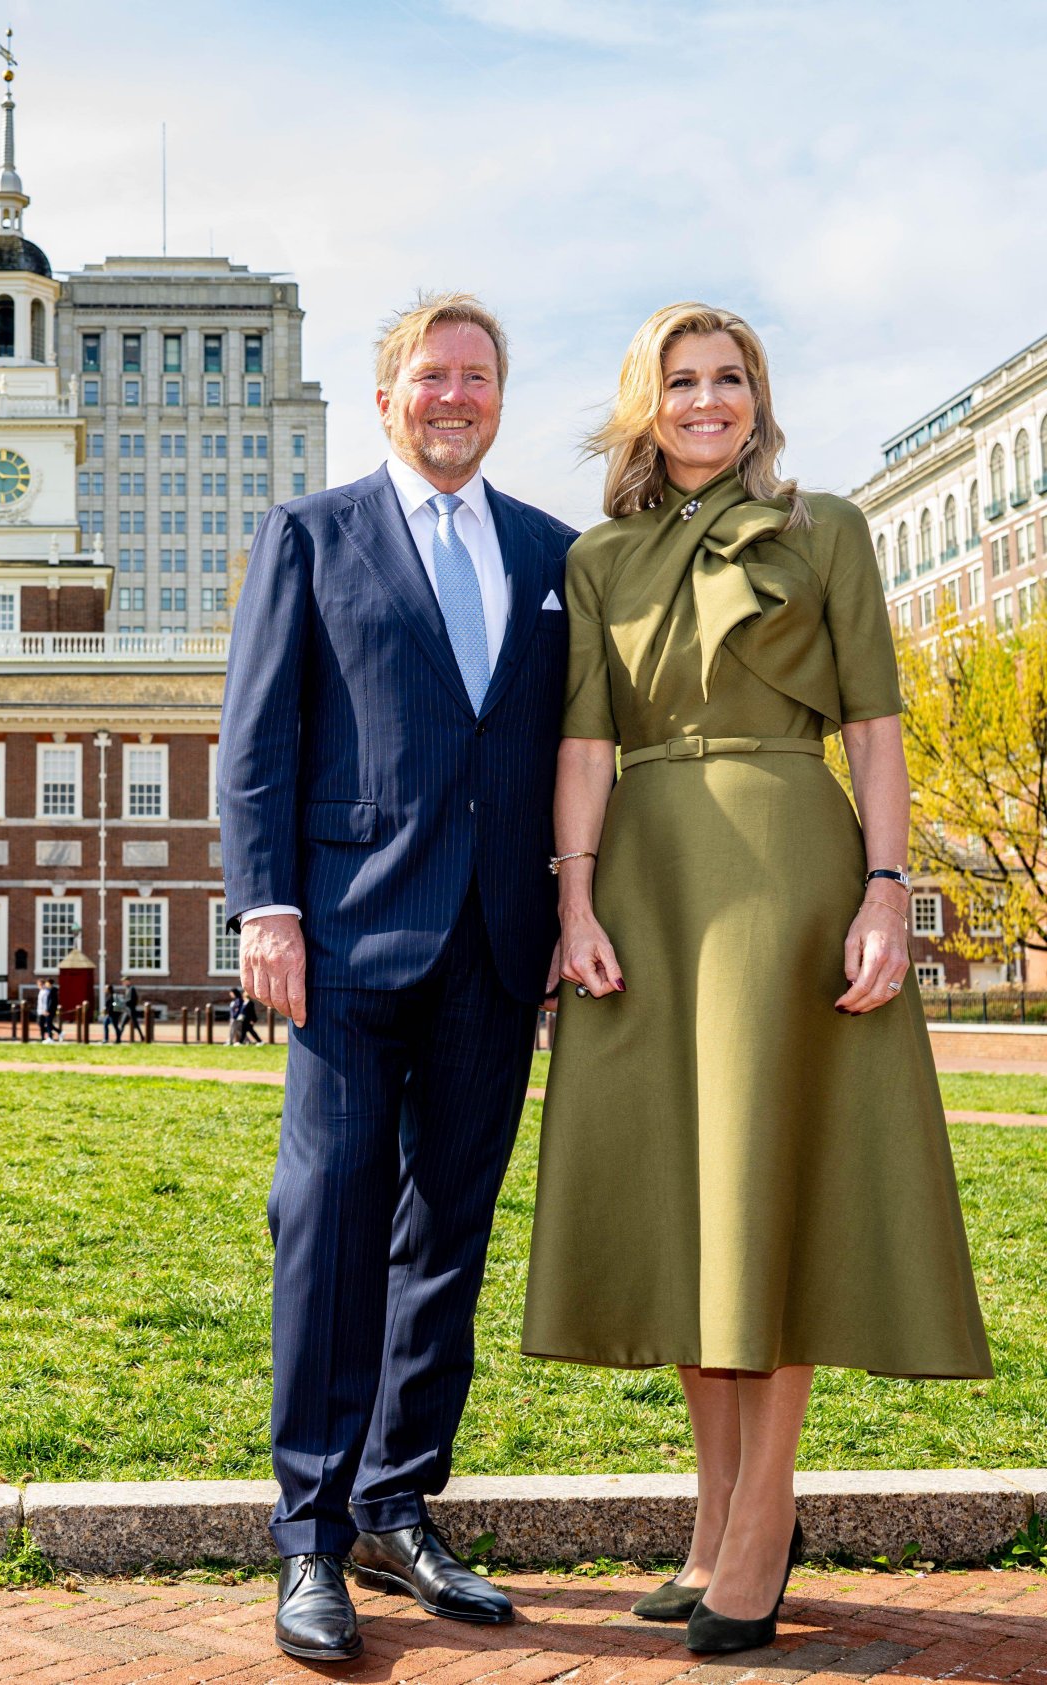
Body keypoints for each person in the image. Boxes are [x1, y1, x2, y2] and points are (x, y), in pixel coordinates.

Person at [521, 302, 992, 1658]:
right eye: (682, 381)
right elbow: (584, 747)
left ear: (758, 399)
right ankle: (718, 1512)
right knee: (688, 1193)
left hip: (789, 870)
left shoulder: (822, 528)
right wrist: (575, 900)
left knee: (768, 1187)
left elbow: (878, 729)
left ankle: (762, 1512)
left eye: (731, 378)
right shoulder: (598, 557)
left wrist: (888, 889)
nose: (708, 400)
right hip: (650, 883)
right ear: (646, 402)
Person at [218, 291, 573, 1665]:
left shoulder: (551, 551)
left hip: (497, 945)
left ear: (499, 397)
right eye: (432, 375)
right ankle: (311, 1535)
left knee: (447, 1238)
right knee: (329, 1227)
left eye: (478, 376)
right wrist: (268, 907)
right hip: (348, 942)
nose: (455, 396)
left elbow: (564, 751)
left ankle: (397, 1502)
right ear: (386, 398)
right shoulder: (311, 534)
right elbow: (258, 739)